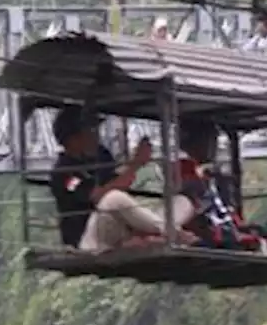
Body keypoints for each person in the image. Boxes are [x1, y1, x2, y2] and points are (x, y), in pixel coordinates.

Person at [49, 105, 197, 251]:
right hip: (88, 236)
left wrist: (136, 167)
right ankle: (171, 233)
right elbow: (98, 196)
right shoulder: (63, 171)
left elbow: (121, 183)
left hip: (117, 226)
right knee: (113, 198)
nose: (97, 135)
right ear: (73, 138)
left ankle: (154, 235)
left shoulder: (101, 155)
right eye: (91, 130)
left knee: (182, 201)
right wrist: (135, 165)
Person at [175, 118, 264, 249]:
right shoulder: (184, 171)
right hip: (209, 235)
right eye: (208, 139)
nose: (213, 146)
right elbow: (199, 208)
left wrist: (240, 226)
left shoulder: (215, 176)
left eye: (214, 139)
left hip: (225, 231)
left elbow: (227, 212)